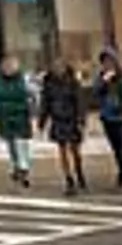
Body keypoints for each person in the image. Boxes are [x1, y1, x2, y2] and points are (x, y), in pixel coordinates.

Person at [36, 58, 89, 195]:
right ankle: (69, 178)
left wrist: (81, 120)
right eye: (55, 67)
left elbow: (80, 102)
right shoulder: (48, 83)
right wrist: (42, 122)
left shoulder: (72, 82)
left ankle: (79, 173)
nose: (57, 70)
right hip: (58, 120)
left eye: (60, 67)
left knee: (75, 151)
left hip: (71, 119)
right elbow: (45, 104)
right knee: (62, 150)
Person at [92, 48, 122, 193]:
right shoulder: (101, 77)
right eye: (104, 61)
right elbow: (95, 94)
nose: (107, 64)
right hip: (109, 118)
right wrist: (103, 82)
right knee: (117, 149)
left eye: (110, 61)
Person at [0, 57, 34, 188]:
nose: (9, 69)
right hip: (4, 114)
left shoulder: (24, 79)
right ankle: (15, 164)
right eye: (7, 66)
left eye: (12, 66)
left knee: (21, 140)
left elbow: (33, 93)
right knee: (10, 140)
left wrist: (31, 106)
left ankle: (23, 165)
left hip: (20, 113)